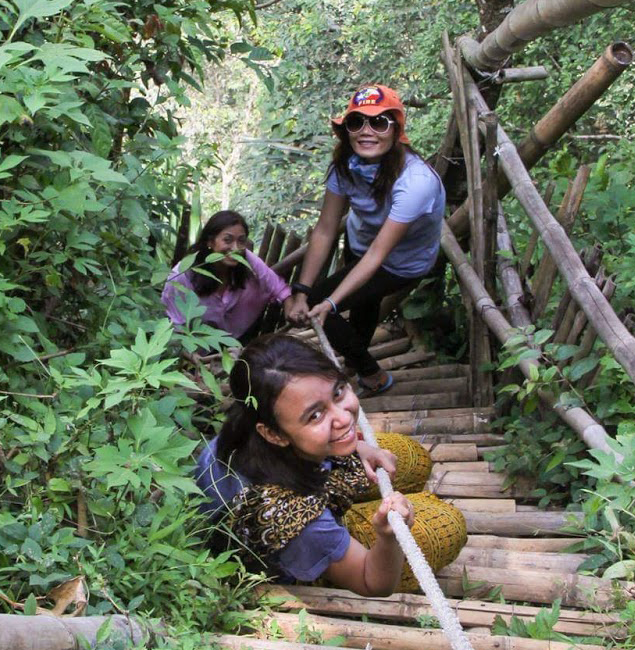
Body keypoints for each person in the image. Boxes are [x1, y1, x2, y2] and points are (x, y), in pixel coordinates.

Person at [193, 333, 466, 595]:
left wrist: (356, 444)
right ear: (273, 434)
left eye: (338, 392)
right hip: (293, 541)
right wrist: (387, 536)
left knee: (409, 457)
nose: (344, 419)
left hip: (303, 475)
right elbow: (373, 583)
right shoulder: (295, 522)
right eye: (315, 415)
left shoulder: (246, 428)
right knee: (447, 525)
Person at [287, 85, 446, 395]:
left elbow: (377, 256)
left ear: (396, 129)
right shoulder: (347, 165)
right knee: (363, 305)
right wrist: (301, 290)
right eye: (356, 122)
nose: (366, 131)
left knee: (325, 308)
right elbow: (325, 229)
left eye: (379, 122)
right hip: (360, 244)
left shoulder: (415, 182)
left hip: (399, 263)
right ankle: (356, 364)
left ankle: (371, 374)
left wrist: (324, 302)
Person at [162, 210, 301, 341]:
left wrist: (291, 308)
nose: (235, 248)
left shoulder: (246, 258)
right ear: (210, 241)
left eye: (241, 241)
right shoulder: (183, 275)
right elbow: (174, 324)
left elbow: (278, 286)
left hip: (232, 341)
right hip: (193, 348)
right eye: (227, 240)